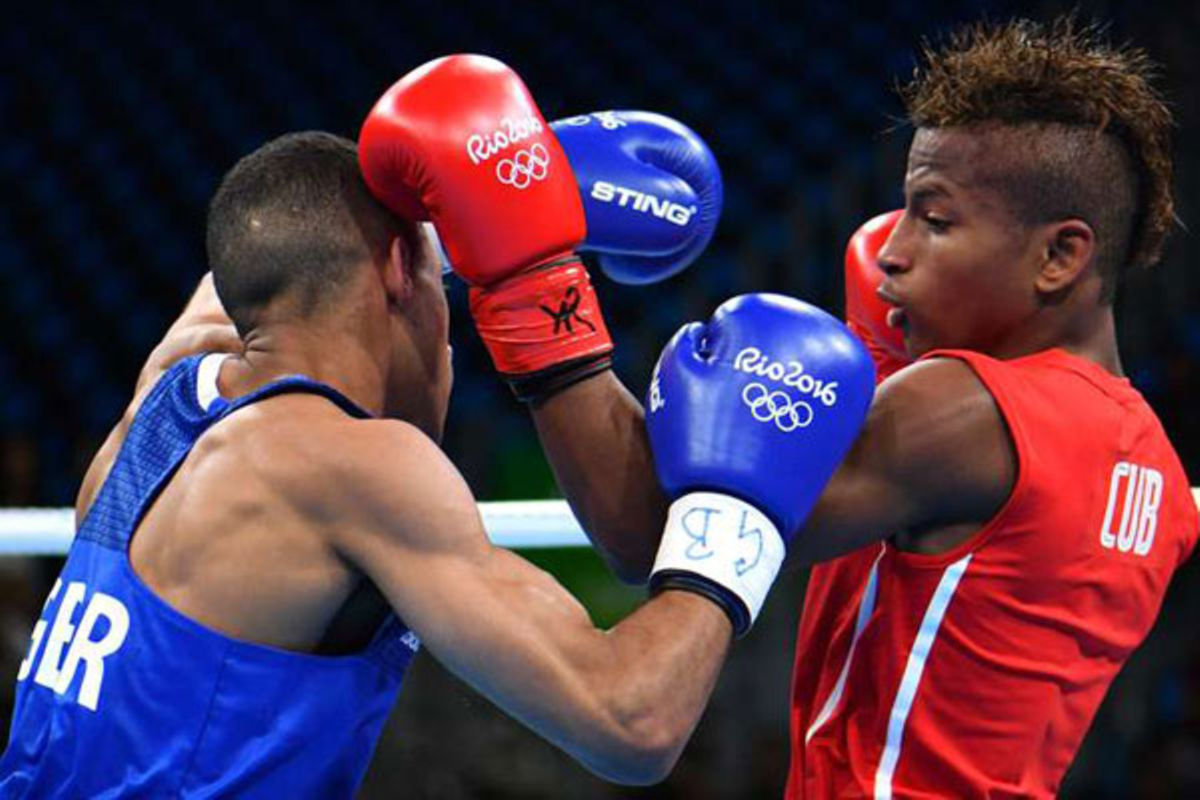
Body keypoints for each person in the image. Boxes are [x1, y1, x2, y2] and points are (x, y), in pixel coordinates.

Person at [0, 72, 874, 795]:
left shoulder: (165, 396)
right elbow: (628, 722)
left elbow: (273, 250)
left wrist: (501, 196)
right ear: (396, 271)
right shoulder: (348, 465)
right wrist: (735, 519)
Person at [417, 18, 1198, 799]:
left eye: (936, 218)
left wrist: (527, 278)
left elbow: (650, 534)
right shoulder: (1157, 475)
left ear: (1060, 257)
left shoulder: (969, 410)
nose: (891, 249)